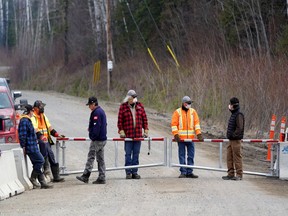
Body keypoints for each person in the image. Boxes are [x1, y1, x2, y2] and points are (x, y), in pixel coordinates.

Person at [18, 104, 53, 189]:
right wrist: (23, 147)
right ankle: (33, 178)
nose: (33, 112)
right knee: (40, 161)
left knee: (36, 163)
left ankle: (42, 182)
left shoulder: (27, 120)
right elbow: (22, 135)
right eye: (32, 111)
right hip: (30, 147)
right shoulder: (24, 121)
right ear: (30, 111)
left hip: (33, 145)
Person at [117, 90, 149, 179]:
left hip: (138, 135)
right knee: (128, 154)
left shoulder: (140, 106)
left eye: (135, 97)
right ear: (129, 98)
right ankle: (128, 172)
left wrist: (146, 130)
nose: (135, 99)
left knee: (136, 154)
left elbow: (144, 119)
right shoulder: (123, 107)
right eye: (133, 97)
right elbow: (120, 121)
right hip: (128, 135)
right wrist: (121, 131)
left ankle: (134, 172)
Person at [31, 100, 65, 183]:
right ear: (35, 108)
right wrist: (41, 137)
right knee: (43, 158)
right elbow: (35, 129)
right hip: (39, 141)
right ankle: (45, 174)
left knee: (51, 156)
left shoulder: (43, 116)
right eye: (41, 107)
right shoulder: (33, 117)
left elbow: (49, 127)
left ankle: (56, 176)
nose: (42, 108)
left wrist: (57, 134)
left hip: (46, 141)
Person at [76, 96, 107, 184]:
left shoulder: (96, 113)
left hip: (97, 139)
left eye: (89, 105)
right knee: (100, 158)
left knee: (91, 156)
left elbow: (96, 127)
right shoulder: (101, 111)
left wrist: (92, 136)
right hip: (102, 138)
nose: (89, 107)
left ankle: (86, 175)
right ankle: (102, 176)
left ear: (93, 104)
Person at [171, 96, 203, 178]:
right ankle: (183, 172)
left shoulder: (193, 112)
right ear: (184, 103)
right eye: (188, 103)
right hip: (181, 139)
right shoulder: (177, 112)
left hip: (191, 138)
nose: (190, 105)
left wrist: (198, 134)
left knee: (191, 155)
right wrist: (176, 134)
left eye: (190, 103)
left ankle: (190, 171)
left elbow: (196, 124)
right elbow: (174, 125)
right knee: (182, 155)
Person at [222, 97, 245, 181]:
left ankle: (239, 175)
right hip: (231, 140)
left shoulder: (239, 115)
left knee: (237, 157)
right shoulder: (233, 114)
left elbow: (239, 128)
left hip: (235, 140)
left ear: (234, 105)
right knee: (229, 157)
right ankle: (230, 174)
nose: (229, 106)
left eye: (230, 104)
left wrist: (233, 135)